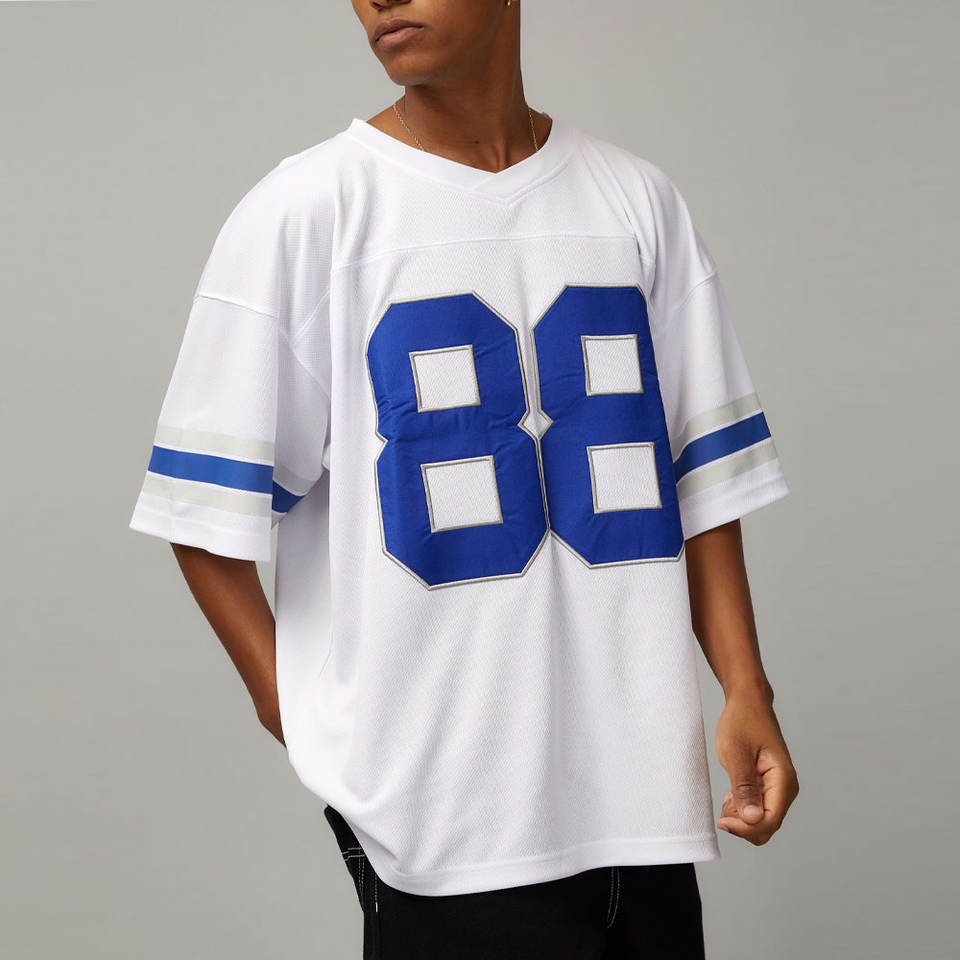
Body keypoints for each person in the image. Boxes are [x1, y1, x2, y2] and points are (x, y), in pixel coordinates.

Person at [128, 1, 800, 956]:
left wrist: (745, 686)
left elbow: (698, 477)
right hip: (442, 836)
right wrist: (305, 718)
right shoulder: (308, 211)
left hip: (643, 814)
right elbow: (202, 514)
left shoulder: (636, 201)